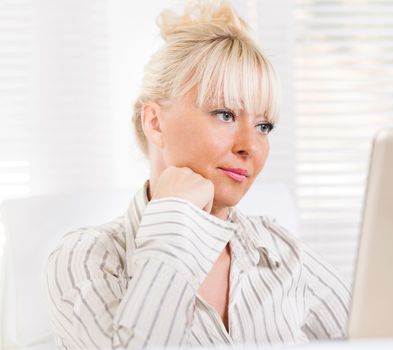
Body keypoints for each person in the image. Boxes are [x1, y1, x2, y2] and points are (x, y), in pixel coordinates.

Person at [46, 1, 351, 348]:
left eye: (264, 125)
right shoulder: (86, 258)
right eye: (224, 114)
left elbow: (390, 335)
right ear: (155, 122)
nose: (250, 145)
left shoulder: (279, 251)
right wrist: (174, 216)